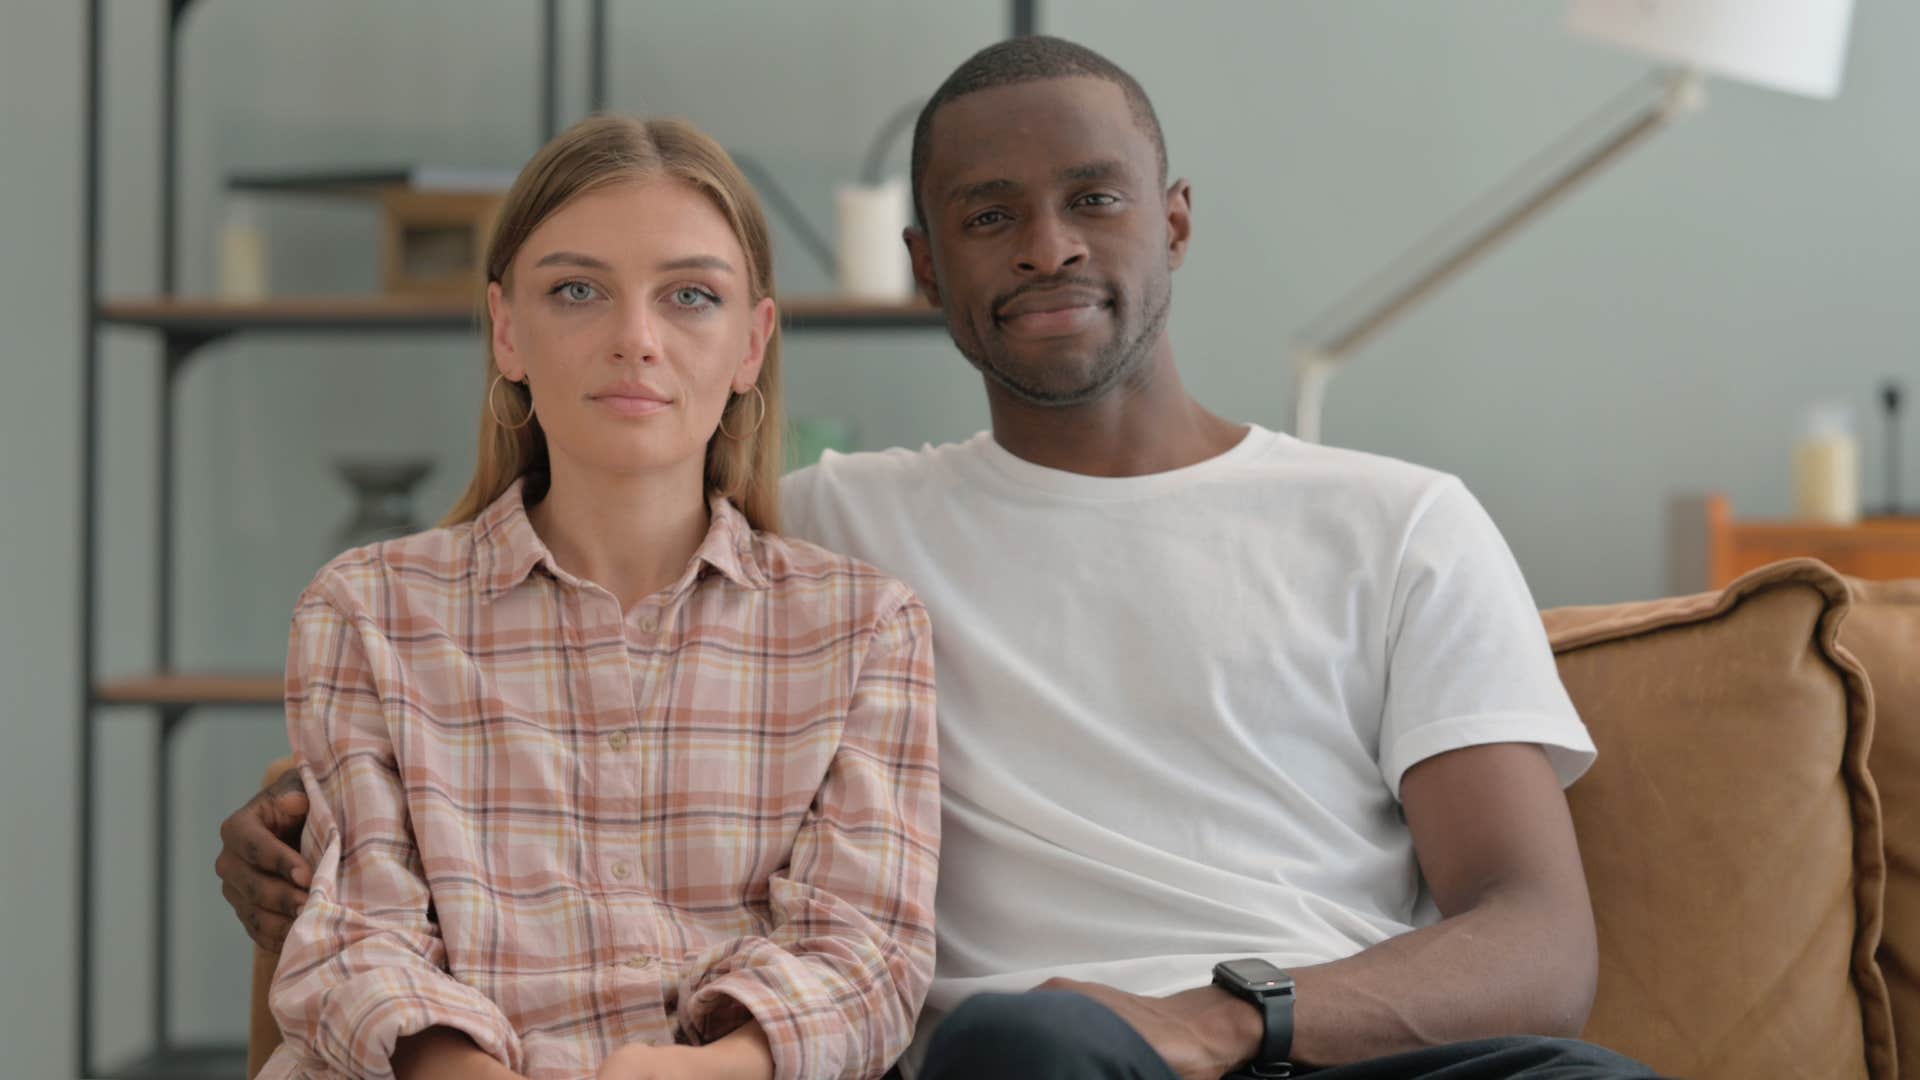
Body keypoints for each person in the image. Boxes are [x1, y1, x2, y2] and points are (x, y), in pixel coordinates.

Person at [223, 38, 1655, 1080]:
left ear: (1174, 219)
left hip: (1331, 1050)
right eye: (987, 218)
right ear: (921, 265)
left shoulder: (1399, 522)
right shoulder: (847, 541)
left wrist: (1215, 1017)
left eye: (1096, 199)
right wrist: (299, 847)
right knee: (1021, 1039)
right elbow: (605, 556)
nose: (1046, 247)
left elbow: (1540, 942)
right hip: (1038, 1060)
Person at [245, 114, 939, 1080]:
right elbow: (358, 935)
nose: (635, 340)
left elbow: (866, 955)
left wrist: (702, 1070)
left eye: (691, 296)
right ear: (507, 330)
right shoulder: (367, 610)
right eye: (577, 291)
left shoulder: (862, 627)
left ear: (752, 345)